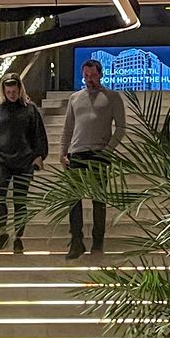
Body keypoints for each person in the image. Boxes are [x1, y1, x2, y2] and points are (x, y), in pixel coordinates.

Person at [0, 74, 47, 252]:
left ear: (20, 90)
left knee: (20, 200)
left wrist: (40, 156)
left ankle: (18, 237)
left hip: (25, 161)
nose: (12, 94)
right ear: (4, 91)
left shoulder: (30, 110)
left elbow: (39, 135)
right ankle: (3, 232)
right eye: (9, 92)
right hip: (2, 161)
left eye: (15, 91)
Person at [61, 58, 125, 258]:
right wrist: (63, 152)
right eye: (86, 75)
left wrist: (108, 150)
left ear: (100, 74)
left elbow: (121, 127)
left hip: (99, 154)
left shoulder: (112, 97)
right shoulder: (75, 98)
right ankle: (76, 241)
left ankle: (98, 241)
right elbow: (68, 127)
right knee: (74, 199)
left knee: (98, 200)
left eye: (93, 75)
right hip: (77, 153)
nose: (89, 78)